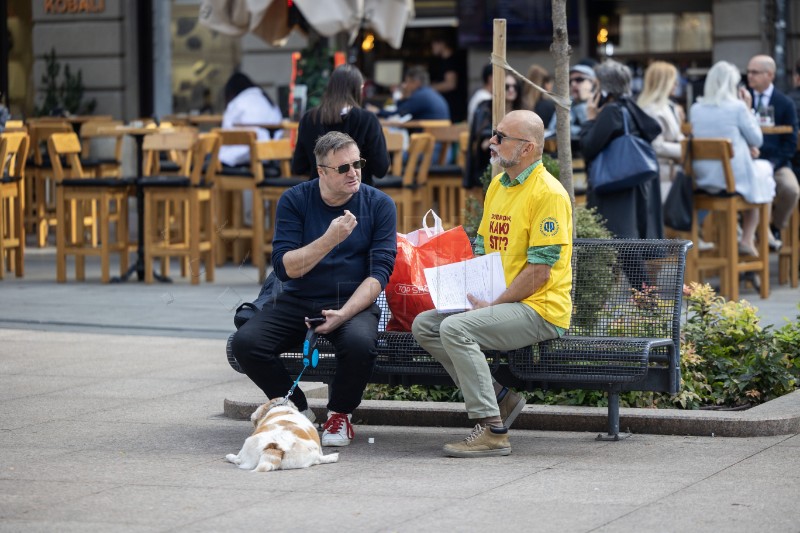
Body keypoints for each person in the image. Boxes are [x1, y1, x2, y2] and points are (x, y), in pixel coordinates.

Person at [413, 110, 573, 458]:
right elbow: (486, 250)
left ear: (527, 148)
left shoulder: (548, 193)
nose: (492, 142)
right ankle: (503, 399)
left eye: (501, 137)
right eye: (494, 134)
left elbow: (539, 272)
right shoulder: (499, 185)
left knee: (456, 329)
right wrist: (464, 290)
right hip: (503, 302)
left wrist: (494, 303)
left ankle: (493, 430)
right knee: (425, 324)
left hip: (540, 309)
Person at [231, 131, 397, 447]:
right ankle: (298, 409)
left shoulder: (379, 205)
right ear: (321, 171)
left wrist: (344, 313)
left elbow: (379, 275)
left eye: (357, 164)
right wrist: (330, 239)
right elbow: (285, 267)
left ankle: (340, 416)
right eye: (343, 168)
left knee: (360, 344)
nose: (354, 173)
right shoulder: (295, 200)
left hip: (352, 301)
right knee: (246, 343)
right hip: (298, 298)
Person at [579, 59, 663, 288]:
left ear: (604, 87)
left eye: (595, 84)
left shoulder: (612, 112)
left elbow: (588, 147)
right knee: (626, 250)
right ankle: (646, 302)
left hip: (614, 190)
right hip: (630, 186)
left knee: (624, 250)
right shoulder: (630, 107)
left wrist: (589, 119)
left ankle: (648, 303)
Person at [690, 60, 776, 257]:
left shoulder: (696, 108)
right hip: (732, 182)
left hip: (703, 180)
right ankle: (748, 237)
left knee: (758, 175)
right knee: (764, 173)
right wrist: (747, 108)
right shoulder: (737, 107)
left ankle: (742, 238)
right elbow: (757, 139)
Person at [292, 64, 389, 186]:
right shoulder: (368, 120)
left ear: (330, 87)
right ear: (358, 89)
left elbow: (298, 167)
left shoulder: (309, 118)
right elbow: (381, 169)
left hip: (320, 195)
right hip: (358, 196)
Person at [746, 54, 800, 248]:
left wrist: (774, 162)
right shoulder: (742, 100)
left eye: (755, 72)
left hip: (776, 163)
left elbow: (790, 142)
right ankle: (748, 234)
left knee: (791, 189)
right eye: (748, 72)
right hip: (748, 164)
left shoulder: (785, 103)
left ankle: (774, 226)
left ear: (769, 75)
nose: (750, 76)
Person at [465, 73, 524, 188]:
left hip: (516, 162)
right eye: (507, 86)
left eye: (514, 87)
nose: (511, 90)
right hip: (487, 162)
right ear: (499, 88)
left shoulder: (523, 111)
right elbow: (481, 140)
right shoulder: (485, 108)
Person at [637, 61, 686, 198]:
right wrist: (686, 149)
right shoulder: (650, 110)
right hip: (660, 173)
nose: (676, 84)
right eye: (673, 80)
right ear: (663, 83)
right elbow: (657, 146)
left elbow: (677, 136)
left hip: (670, 172)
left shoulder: (669, 106)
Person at [218, 72, 283, 167]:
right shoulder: (268, 101)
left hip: (243, 159)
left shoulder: (238, 103)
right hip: (272, 159)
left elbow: (224, 133)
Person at [373, 66, 450, 122]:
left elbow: (398, 113)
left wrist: (377, 112)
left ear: (416, 83)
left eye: (407, 82)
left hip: (429, 140)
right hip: (438, 139)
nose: (405, 85)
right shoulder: (429, 92)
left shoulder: (420, 96)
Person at [547, 64, 596, 138]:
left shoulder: (599, 102)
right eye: (570, 81)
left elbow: (590, 132)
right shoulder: (566, 102)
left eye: (579, 80)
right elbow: (553, 129)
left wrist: (581, 104)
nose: (573, 84)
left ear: (592, 82)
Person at [430, 36, 467, 123]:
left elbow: (450, 84)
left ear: (442, 44)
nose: (432, 48)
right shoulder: (444, 61)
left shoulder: (450, 61)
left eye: (434, 45)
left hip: (453, 105)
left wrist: (430, 88)